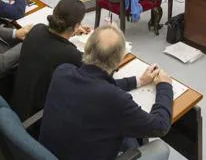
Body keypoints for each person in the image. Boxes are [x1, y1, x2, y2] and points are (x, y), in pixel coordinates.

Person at [39, 24, 172, 160]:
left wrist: (138, 81)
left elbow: (95, 82)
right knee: (160, 148)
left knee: (127, 135)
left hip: (50, 152)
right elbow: (161, 126)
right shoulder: (115, 100)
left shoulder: (63, 71)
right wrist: (165, 85)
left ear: (87, 49)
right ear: (118, 61)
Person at [11, 0, 90, 121]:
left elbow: (52, 43)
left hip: (20, 103)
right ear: (76, 26)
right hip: (39, 117)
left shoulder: (37, 29)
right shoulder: (71, 54)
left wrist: (71, 31)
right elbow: (94, 76)